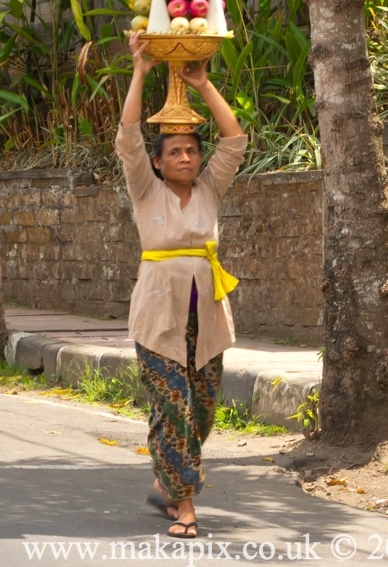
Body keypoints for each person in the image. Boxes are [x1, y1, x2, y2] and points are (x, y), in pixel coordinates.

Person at [115, 31, 247, 539]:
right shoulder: (146, 191)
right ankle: (185, 502)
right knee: (173, 405)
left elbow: (233, 140)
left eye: (192, 151)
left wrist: (204, 85)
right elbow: (127, 138)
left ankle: (167, 479)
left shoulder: (211, 187)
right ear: (159, 162)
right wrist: (141, 71)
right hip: (157, 313)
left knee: (203, 407)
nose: (187, 159)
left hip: (207, 312)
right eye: (175, 152)